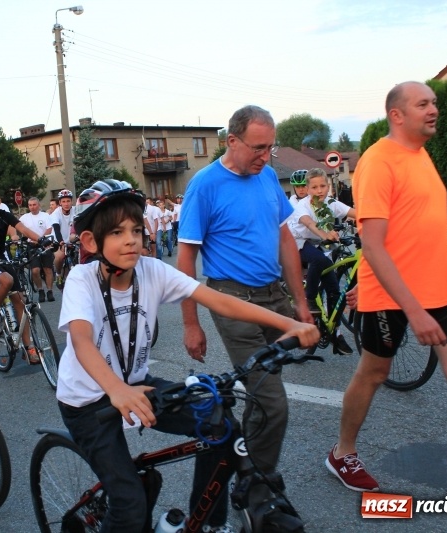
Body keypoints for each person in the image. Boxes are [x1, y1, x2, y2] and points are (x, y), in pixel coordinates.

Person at [56, 179, 318, 532]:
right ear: (91, 241)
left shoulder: (152, 270)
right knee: (130, 504)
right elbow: (82, 339)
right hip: (88, 401)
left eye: (136, 228)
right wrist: (116, 390)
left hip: (137, 386)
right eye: (117, 232)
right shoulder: (81, 279)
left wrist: (288, 323)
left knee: (220, 423)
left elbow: (220, 300)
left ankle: (208, 524)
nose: (132, 238)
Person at [325, 81, 447, 513]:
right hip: (393, 297)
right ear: (397, 114)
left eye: (434, 102)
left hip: (440, 289)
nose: (434, 109)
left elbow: (413, 229)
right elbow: (374, 244)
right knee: (374, 373)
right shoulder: (379, 161)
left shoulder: (420, 155)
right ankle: (342, 453)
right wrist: (413, 311)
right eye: (423, 104)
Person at [177, 104, 312, 481]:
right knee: (273, 401)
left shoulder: (267, 176)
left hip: (274, 297)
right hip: (233, 302)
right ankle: (259, 482)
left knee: (263, 388)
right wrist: (191, 324)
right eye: (258, 148)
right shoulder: (204, 185)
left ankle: (243, 454)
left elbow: (285, 238)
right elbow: (185, 261)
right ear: (231, 140)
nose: (266, 157)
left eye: (270, 147)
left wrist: (300, 304)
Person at [0, 183, 46, 363]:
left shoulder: (4, 215)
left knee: (20, 300)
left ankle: (29, 348)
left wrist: (43, 240)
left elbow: (24, 230)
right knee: (7, 280)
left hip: (1, 257)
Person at [287, 168, 356, 354]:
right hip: (300, 244)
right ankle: (309, 300)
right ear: (308, 190)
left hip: (321, 244)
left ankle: (333, 331)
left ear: (328, 186)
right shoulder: (302, 205)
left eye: (323, 186)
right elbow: (310, 223)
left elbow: (353, 212)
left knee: (334, 291)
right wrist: (325, 234)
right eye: (314, 187)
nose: (319, 190)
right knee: (319, 261)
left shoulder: (331, 203)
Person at [19, 197, 55, 302]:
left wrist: (41, 240)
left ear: (39, 205)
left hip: (45, 245)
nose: (32, 207)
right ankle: (40, 290)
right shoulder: (24, 218)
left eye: (34, 205)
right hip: (32, 246)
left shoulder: (45, 216)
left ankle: (49, 291)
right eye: (30, 205)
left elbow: (49, 229)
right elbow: (17, 227)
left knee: (47, 269)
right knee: (35, 271)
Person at [51, 189, 75, 288]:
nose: (66, 204)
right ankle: (58, 274)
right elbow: (56, 229)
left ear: (71, 201)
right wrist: (61, 242)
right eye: (63, 201)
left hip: (73, 240)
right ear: (60, 203)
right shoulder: (56, 213)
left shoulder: (76, 211)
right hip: (59, 240)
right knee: (59, 257)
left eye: (68, 201)